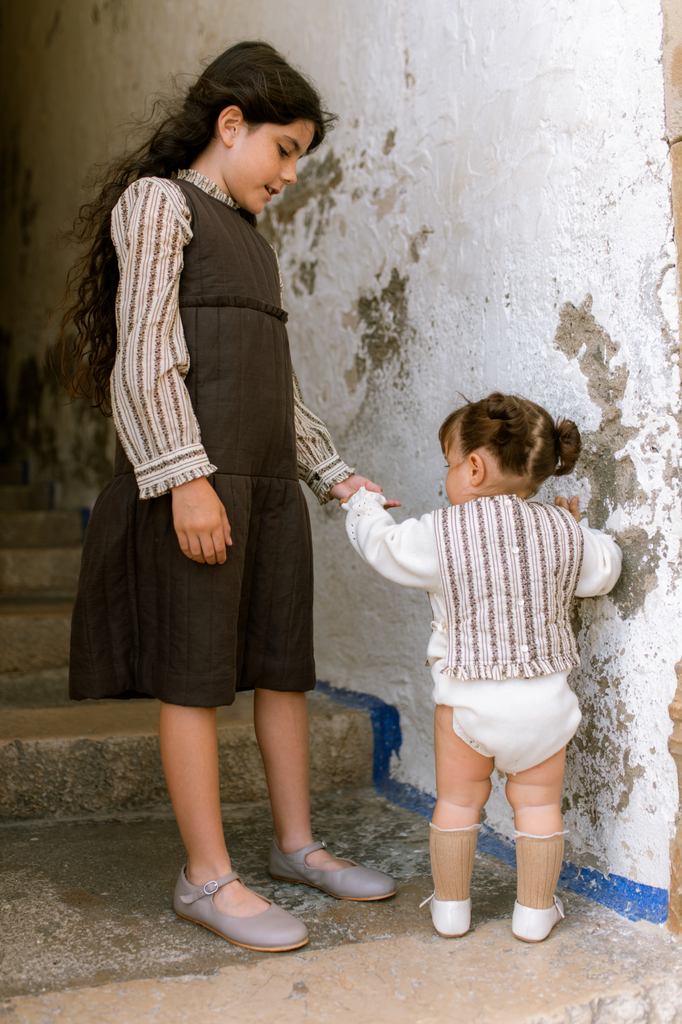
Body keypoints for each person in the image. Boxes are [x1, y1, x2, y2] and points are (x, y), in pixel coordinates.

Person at [58, 41, 397, 954]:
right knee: (195, 674)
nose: (290, 174)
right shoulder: (159, 204)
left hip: (268, 489)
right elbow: (143, 353)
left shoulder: (252, 240)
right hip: (198, 483)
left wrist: (331, 473)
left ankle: (296, 846)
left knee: (283, 669)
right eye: (285, 149)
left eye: (301, 158)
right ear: (231, 123)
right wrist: (184, 478)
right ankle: (205, 876)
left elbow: (275, 382)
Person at [341, 392, 621, 942]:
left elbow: (385, 547)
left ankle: (451, 909)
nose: (448, 475)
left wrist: (364, 505)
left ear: (473, 467)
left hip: (468, 701)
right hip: (545, 708)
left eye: (449, 463)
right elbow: (603, 570)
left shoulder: (441, 532)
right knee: (539, 807)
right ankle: (535, 913)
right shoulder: (561, 530)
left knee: (457, 802)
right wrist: (577, 533)